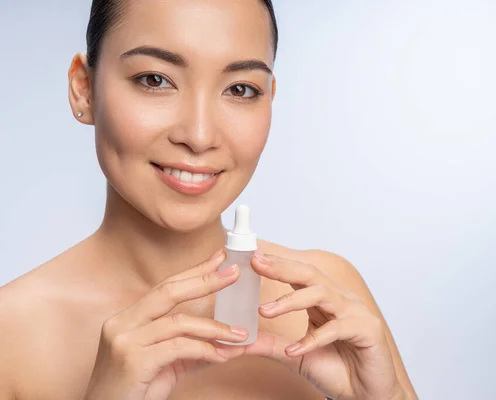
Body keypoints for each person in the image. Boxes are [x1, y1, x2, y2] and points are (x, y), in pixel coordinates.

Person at [0, 0, 417, 399]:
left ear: (270, 97)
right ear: (84, 89)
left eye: (240, 88)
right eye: (155, 79)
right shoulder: (11, 336)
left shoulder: (325, 301)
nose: (199, 136)